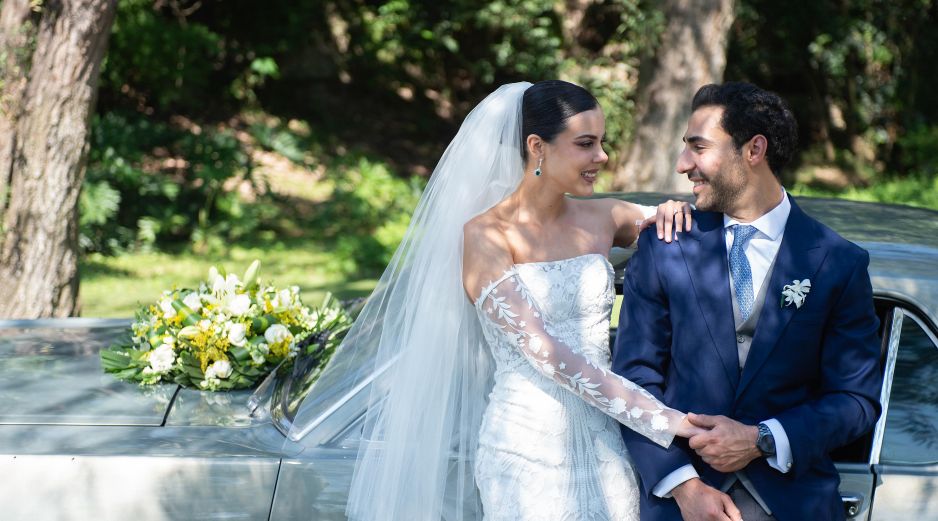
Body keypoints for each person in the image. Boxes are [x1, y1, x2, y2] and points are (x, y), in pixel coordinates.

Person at [329, 80, 715, 521]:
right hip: (526, 452)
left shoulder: (605, 217)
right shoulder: (486, 236)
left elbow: (686, 228)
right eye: (586, 144)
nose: (603, 157)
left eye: (602, 143)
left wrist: (668, 210)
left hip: (608, 444)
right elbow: (549, 355)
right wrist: (667, 420)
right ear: (538, 147)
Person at [613, 82, 883, 521]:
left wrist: (763, 438)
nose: (683, 165)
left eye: (698, 148)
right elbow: (633, 379)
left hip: (793, 502)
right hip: (683, 500)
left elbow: (855, 399)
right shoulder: (666, 245)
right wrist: (683, 486)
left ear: (754, 150)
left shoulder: (838, 262)